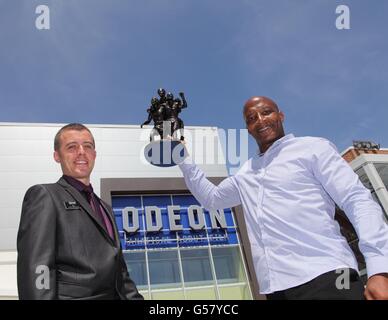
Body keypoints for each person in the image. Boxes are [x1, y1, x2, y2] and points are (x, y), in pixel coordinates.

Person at [178, 96, 388, 300]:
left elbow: (356, 199)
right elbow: (212, 199)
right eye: (251, 118)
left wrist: (380, 267)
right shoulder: (245, 173)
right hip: (276, 289)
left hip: (331, 275)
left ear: (281, 115)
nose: (260, 120)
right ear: (247, 129)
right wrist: (182, 157)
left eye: (266, 112)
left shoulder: (312, 148)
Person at [17, 123, 143, 300]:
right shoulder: (45, 195)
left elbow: (120, 273)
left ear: (95, 154)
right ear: (57, 156)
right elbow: (38, 268)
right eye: (72, 147)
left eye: (88, 146)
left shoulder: (105, 208)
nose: (82, 152)